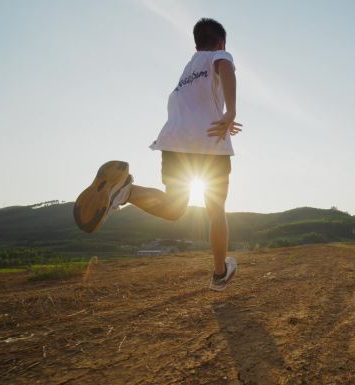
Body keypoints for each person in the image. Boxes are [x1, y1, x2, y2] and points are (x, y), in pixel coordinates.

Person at [73, 18, 242, 291]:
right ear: (221, 42)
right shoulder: (220, 56)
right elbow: (226, 67)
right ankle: (220, 273)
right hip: (209, 143)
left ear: (196, 43)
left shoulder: (186, 73)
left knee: (175, 207)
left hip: (173, 142)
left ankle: (126, 192)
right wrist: (230, 111)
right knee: (216, 211)